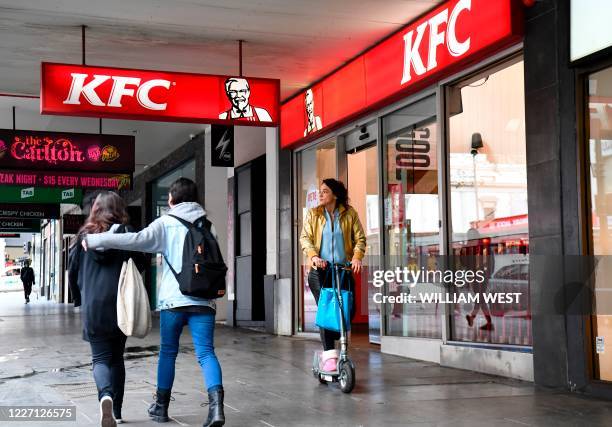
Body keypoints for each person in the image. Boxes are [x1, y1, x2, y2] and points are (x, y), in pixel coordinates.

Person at [82, 177, 225, 427]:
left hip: (174, 300)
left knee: (168, 353)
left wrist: (96, 240)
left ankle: (160, 407)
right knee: (206, 353)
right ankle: (216, 409)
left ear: (171, 198)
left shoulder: (165, 223)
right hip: (204, 300)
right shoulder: (208, 226)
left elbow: (134, 240)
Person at [68, 191, 146, 426]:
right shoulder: (127, 233)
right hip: (121, 304)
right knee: (117, 358)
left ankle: (105, 396)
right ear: (119, 209)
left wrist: (78, 298)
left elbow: (72, 270)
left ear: (96, 210)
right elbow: (141, 263)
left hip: (94, 306)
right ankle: (118, 412)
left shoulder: (84, 236)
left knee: (100, 358)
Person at [299, 178, 366, 373]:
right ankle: (330, 356)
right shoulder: (314, 214)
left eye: (325, 191)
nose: (320, 194)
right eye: (320, 191)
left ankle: (338, 341)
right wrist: (314, 257)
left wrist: (356, 257)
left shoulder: (349, 214)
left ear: (335, 195)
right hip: (320, 272)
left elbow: (359, 238)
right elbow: (305, 238)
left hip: (343, 270)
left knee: (347, 311)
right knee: (327, 310)